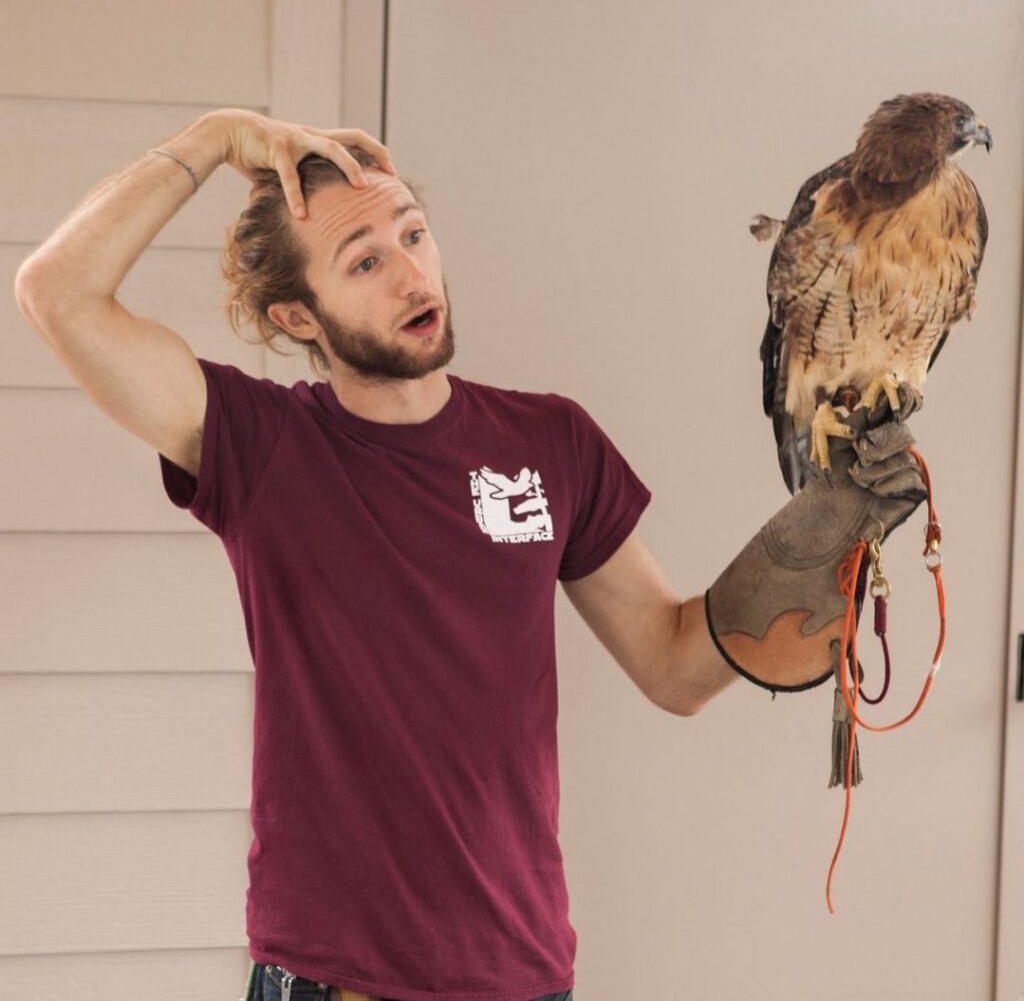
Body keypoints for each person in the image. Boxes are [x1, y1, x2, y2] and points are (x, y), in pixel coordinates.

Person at [14, 109, 926, 1001]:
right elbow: (57, 292)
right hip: (337, 981)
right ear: (297, 316)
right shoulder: (257, 446)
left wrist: (832, 526)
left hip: (522, 972)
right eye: (363, 261)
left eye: (413, 233)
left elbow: (674, 664)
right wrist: (213, 136)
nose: (411, 272)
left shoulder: (554, 441)